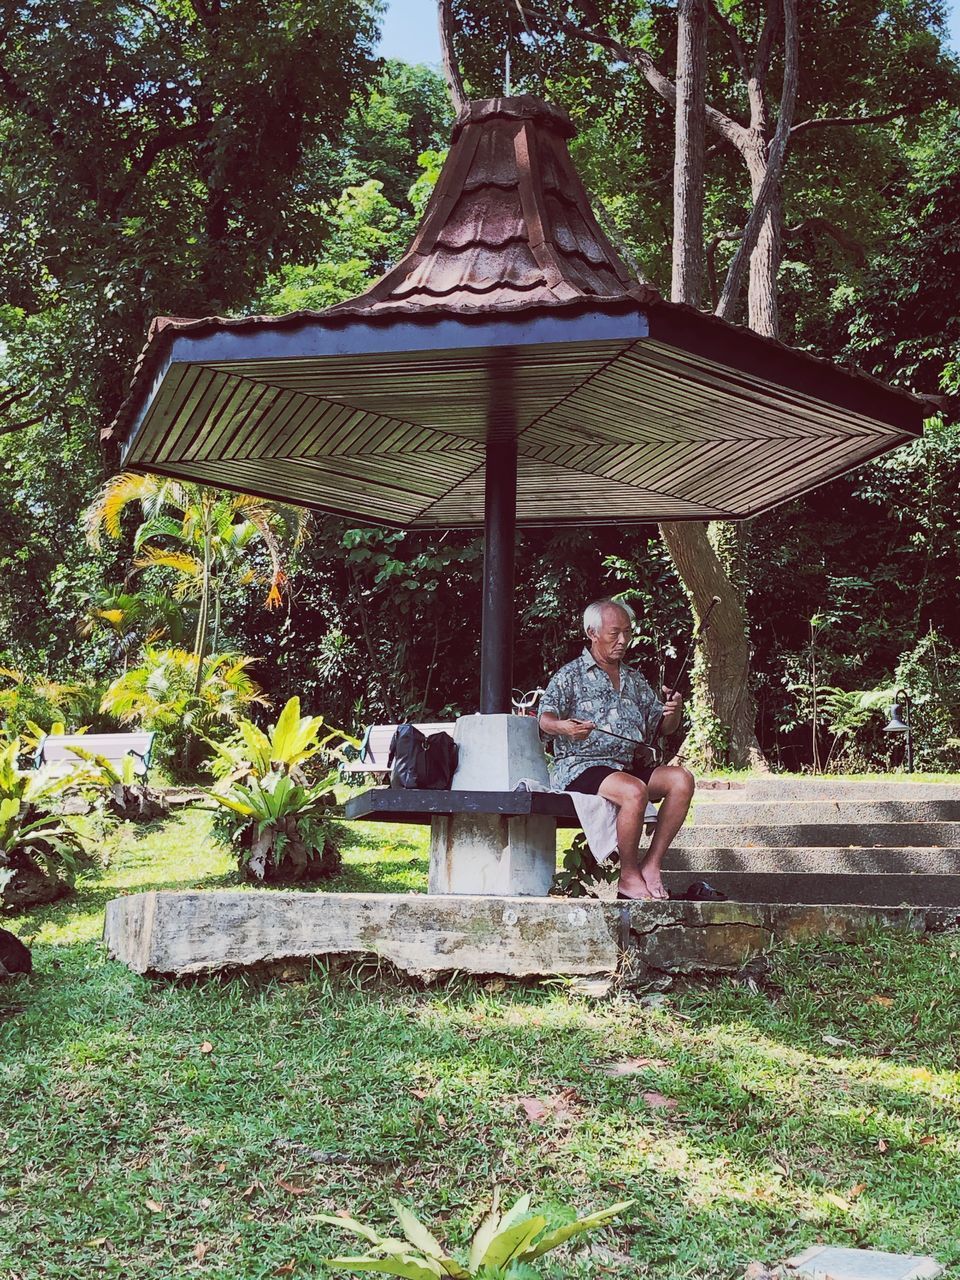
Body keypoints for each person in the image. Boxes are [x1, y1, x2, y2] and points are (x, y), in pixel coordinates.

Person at [538, 598, 695, 901]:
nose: (623, 640)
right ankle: (628, 875)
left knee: (681, 780)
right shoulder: (570, 676)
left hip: (624, 767)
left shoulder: (634, 679)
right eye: (614, 633)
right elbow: (545, 719)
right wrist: (565, 727)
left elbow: (663, 727)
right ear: (592, 633)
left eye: (627, 632)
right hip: (582, 766)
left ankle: (652, 865)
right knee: (634, 791)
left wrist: (673, 710)